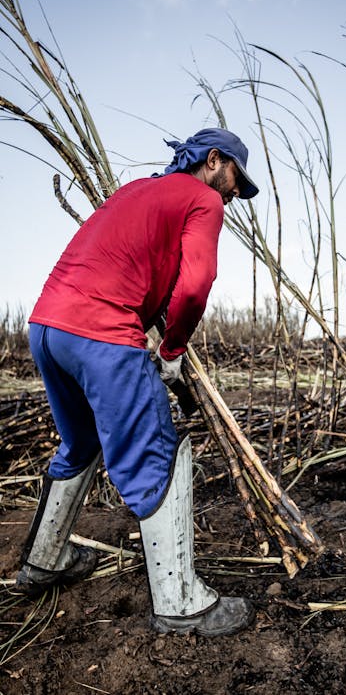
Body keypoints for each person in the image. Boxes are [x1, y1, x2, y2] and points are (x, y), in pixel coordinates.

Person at [15, 128, 259, 637]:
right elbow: (195, 286)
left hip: (46, 328)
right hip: (102, 333)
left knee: (80, 443)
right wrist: (171, 350)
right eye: (237, 177)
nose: (237, 192)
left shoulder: (134, 190)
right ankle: (181, 603)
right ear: (214, 161)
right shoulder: (203, 198)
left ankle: (45, 559)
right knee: (159, 454)